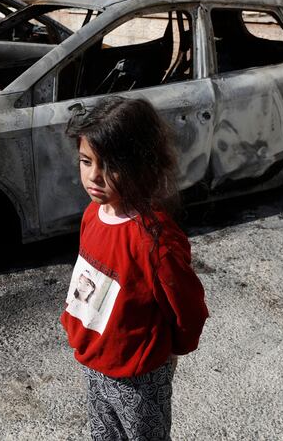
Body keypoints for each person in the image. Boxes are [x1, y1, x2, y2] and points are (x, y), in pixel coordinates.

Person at [61, 96, 209, 440]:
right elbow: (89, 280)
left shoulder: (154, 240)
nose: (94, 176)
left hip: (139, 375)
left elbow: (187, 306)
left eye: (110, 166)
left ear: (142, 165)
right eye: (85, 161)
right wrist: (77, 330)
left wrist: (174, 351)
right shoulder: (92, 215)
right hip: (94, 360)